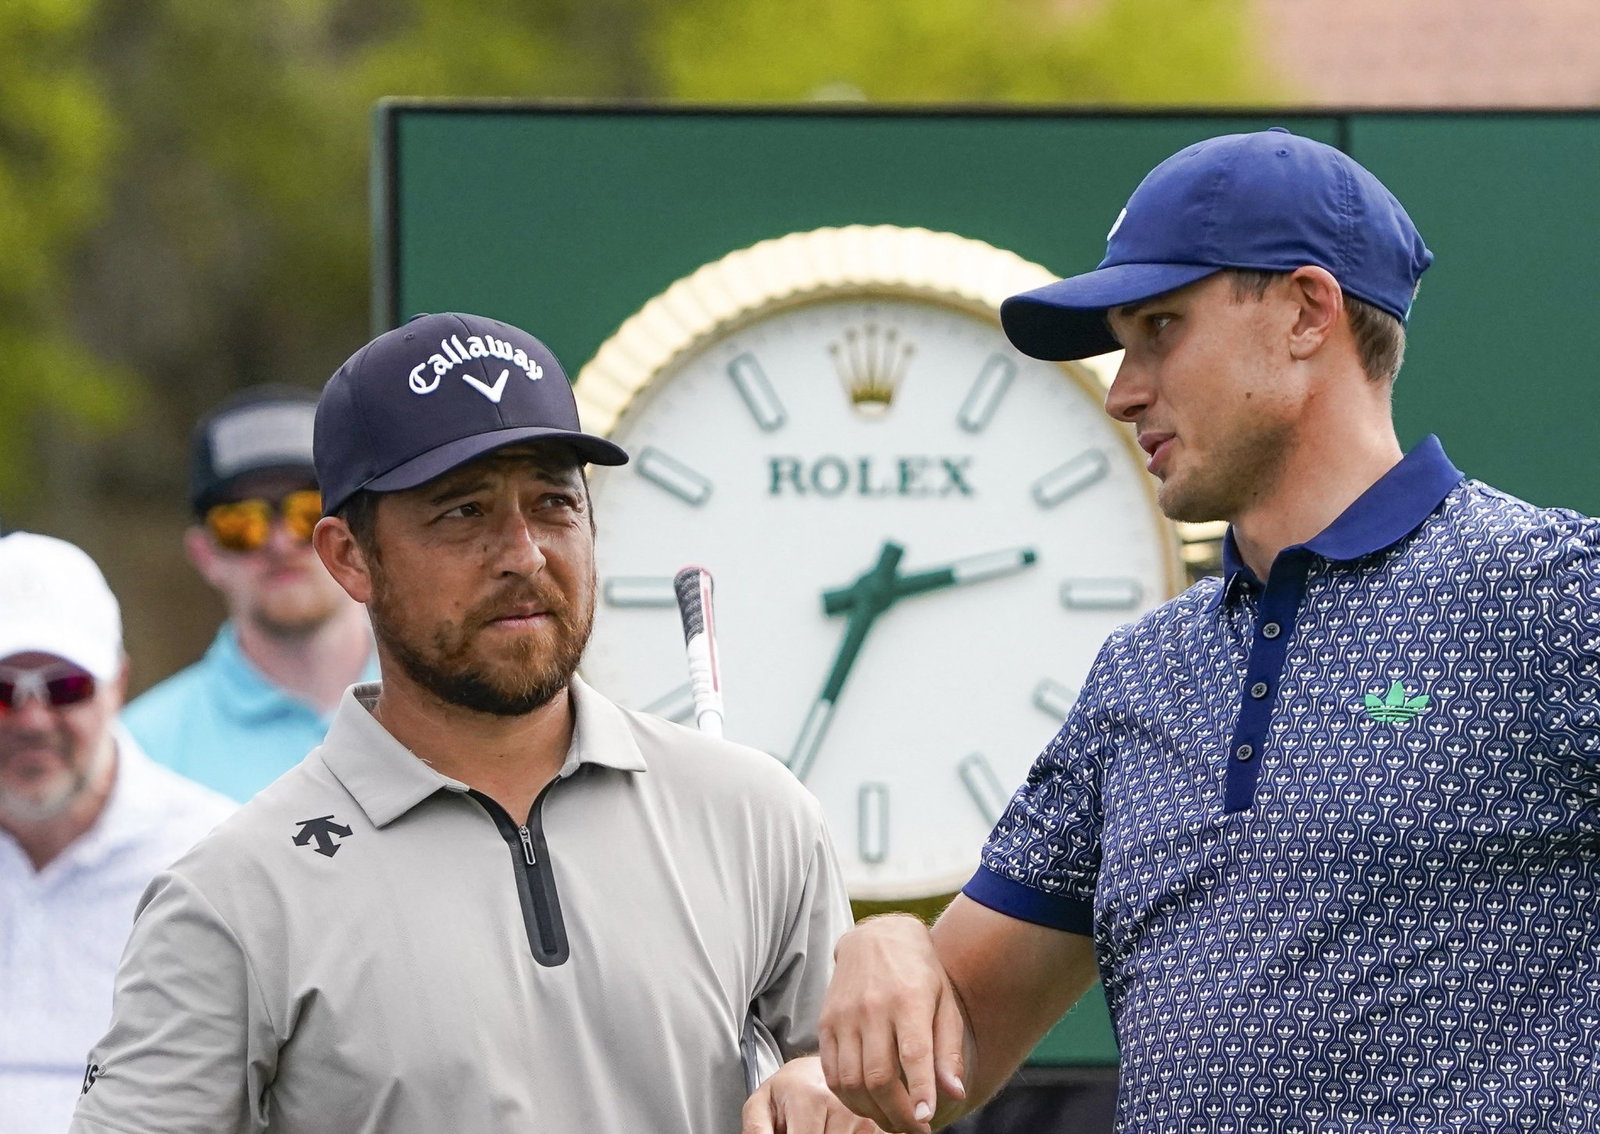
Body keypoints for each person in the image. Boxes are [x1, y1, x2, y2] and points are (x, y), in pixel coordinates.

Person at [756, 128, 1600, 1133]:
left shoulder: (1555, 594)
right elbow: (951, 1044)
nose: (1122, 391)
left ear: (1306, 312)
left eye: (1160, 327)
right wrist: (884, 952)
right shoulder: (1144, 670)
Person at [73, 313, 862, 1134]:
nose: (523, 553)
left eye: (554, 503)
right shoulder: (233, 897)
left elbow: (863, 1093)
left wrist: (828, 1088)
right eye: (462, 512)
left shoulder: (756, 815)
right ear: (349, 557)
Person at [0, 532, 233, 1133]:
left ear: (119, 685)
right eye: (2, 692)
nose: (32, 719)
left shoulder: (216, 856)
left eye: (66, 688)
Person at [122, 385, 378, 801]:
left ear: (359, 530)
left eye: (309, 513)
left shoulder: (453, 695)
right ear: (204, 554)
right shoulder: (139, 755)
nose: (279, 543)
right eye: (240, 524)